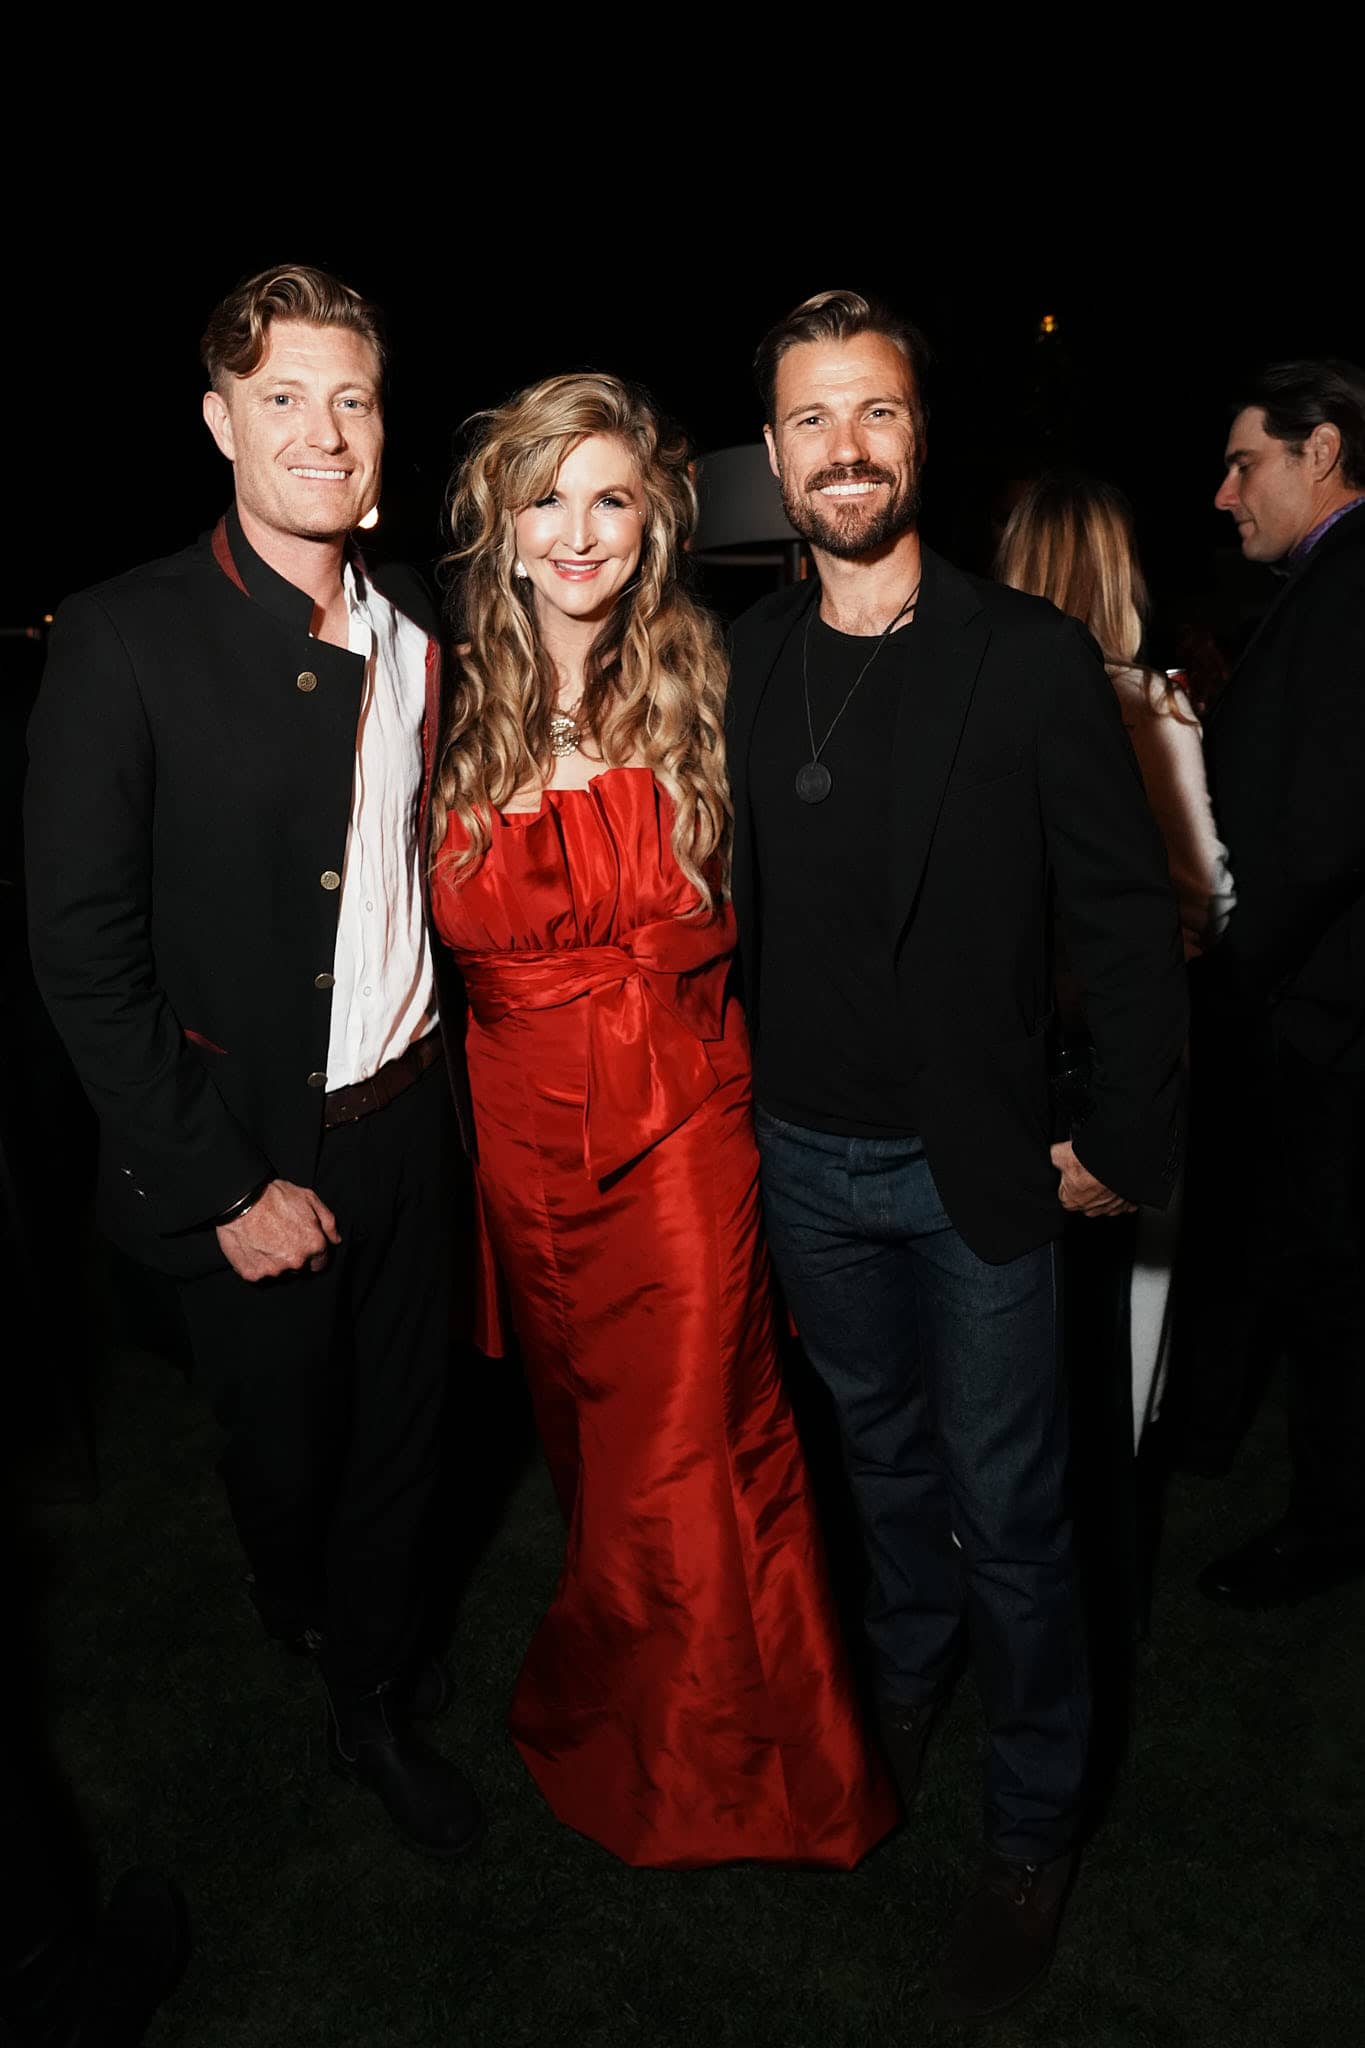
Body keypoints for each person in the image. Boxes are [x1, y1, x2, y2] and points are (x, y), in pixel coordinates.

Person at [729, 293, 1187, 2020]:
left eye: (876, 412)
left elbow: (1128, 924)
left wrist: (1120, 1133)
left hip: (975, 1171)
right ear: (773, 454)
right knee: (881, 1464)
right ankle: (905, 1679)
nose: (845, 447)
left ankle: (1034, 1820)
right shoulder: (743, 660)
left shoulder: (1028, 658)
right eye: (813, 418)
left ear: (919, 436)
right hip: (800, 1162)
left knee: (1017, 1511)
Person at [24, 265, 481, 1860]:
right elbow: (82, 953)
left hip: (415, 1119)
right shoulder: (122, 636)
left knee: (409, 1437)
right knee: (283, 1454)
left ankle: (370, 1694)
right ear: (220, 422)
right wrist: (222, 1185)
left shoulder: (419, 619)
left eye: (351, 398)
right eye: (283, 397)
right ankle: (298, 1592)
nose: (323, 431)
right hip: (247, 1143)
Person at [427, 371, 898, 1870]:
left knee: (695, 1445)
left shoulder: (717, 678)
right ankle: (623, 1709)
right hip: (522, 1154)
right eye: (547, 499)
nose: (579, 532)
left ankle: (743, 1767)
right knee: (591, 1448)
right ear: (501, 523)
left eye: (612, 499)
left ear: (655, 523)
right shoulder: (430, 703)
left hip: (686, 1131)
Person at [995, 472, 1234, 1446]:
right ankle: (1116, 1467)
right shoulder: (1154, 707)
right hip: (1132, 1028)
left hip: (1016, 1031)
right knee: (1132, 1296)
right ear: (1119, 570)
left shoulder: (983, 699)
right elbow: (1209, 889)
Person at [1191, 360, 1365, 1606]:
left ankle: (1332, 1524)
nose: (1224, 491)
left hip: (1327, 1013)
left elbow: (1323, 828)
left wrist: (1234, 973)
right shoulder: (1330, 581)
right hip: (1321, 1001)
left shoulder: (1351, 583)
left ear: (1325, 450)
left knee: (1332, 1279)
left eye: (1246, 461)